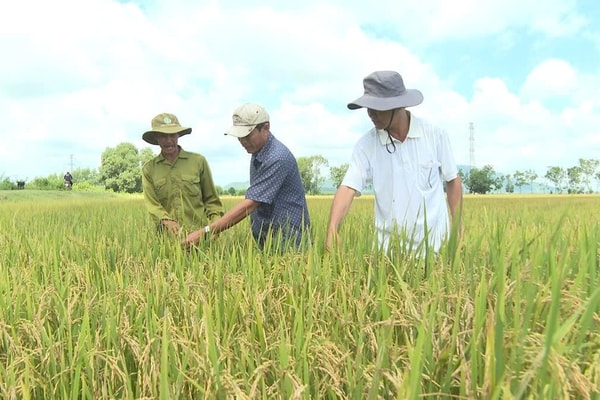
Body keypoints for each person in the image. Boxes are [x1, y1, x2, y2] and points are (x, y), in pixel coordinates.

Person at [326, 71, 463, 254]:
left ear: (398, 106)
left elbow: (452, 180)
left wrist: (458, 228)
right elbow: (348, 187)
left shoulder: (434, 135)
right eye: (369, 107)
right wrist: (333, 229)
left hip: (435, 246)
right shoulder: (366, 145)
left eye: (377, 108)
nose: (370, 114)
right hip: (389, 252)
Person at [183, 103, 310, 251]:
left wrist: (206, 232)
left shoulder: (277, 157)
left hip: (289, 240)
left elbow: (251, 204)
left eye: (247, 136)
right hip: (268, 235)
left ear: (266, 128)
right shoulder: (258, 150)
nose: (243, 142)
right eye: (239, 137)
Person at [141, 112, 224, 235]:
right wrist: (166, 220)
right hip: (166, 239)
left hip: (199, 236)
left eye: (172, 135)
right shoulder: (149, 169)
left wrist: (215, 227)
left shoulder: (198, 161)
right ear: (156, 138)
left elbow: (211, 200)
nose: (169, 140)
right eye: (163, 136)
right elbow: (152, 204)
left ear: (178, 135)